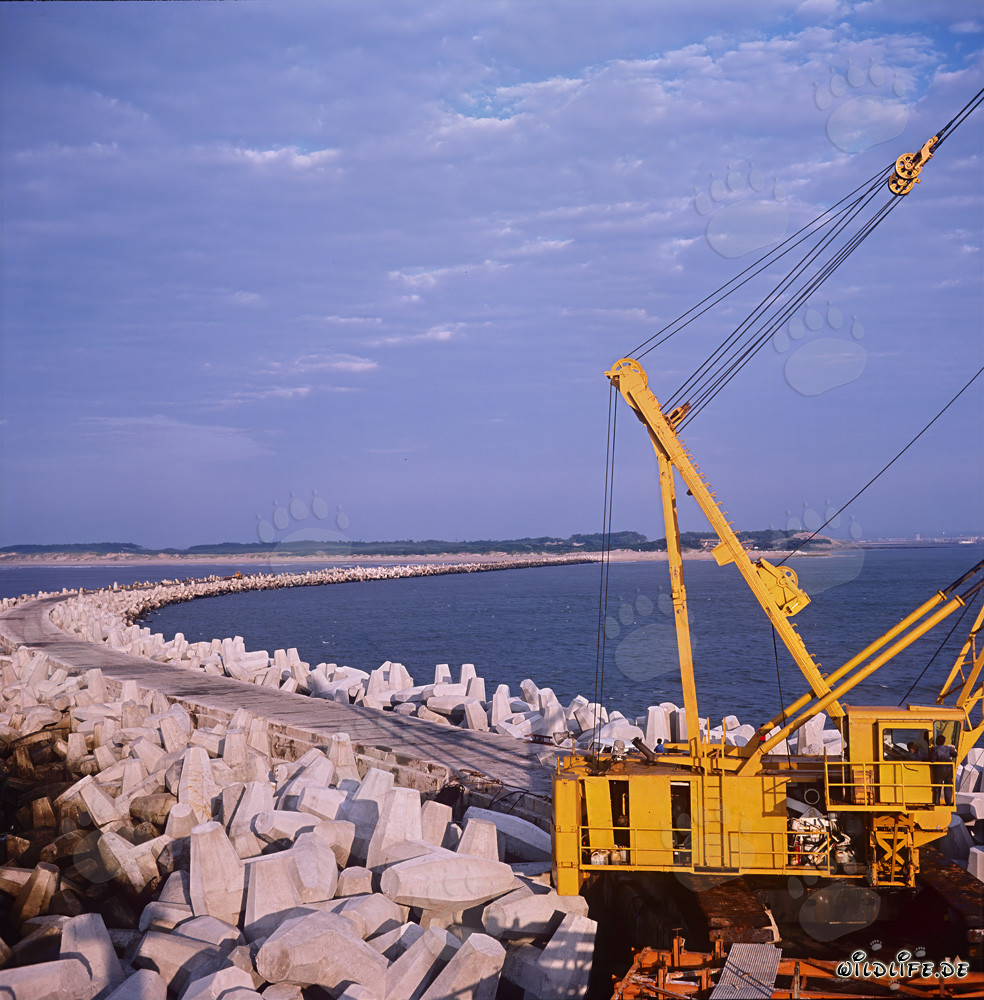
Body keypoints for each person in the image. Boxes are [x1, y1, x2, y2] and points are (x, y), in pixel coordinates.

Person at [929, 734, 957, 805]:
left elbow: (932, 760)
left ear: (936, 742)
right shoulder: (948, 748)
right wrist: (952, 750)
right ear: (944, 741)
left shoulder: (935, 749)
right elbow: (955, 754)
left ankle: (937, 802)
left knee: (938, 786)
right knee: (948, 785)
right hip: (948, 769)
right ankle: (948, 802)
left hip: (939, 769)